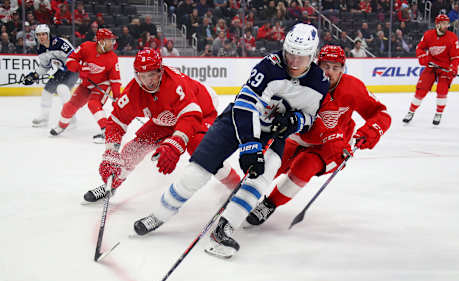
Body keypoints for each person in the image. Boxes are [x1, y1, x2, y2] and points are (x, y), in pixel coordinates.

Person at [133, 23, 330, 259]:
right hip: (236, 122)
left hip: (273, 134)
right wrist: (250, 145)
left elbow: (310, 117)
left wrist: (295, 121)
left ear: (313, 54)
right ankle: (160, 214)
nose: (295, 62)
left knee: (261, 178)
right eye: (290, 54)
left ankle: (224, 228)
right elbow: (245, 105)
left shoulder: (320, 82)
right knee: (197, 171)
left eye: (302, 56)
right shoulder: (270, 66)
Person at [245, 45, 391, 227]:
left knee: (303, 169)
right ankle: (242, 198)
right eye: (325, 67)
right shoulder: (301, 81)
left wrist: (369, 132)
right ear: (317, 65)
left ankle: (269, 204)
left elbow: (381, 114)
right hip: (298, 135)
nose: (329, 73)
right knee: (270, 166)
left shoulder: (353, 88)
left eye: (335, 68)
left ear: (343, 69)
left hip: (330, 145)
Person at [83, 49, 241, 203]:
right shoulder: (133, 92)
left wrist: (175, 143)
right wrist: (110, 153)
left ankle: (235, 185)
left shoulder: (175, 84)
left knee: (200, 148)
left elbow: (189, 116)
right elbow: (116, 123)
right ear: (136, 75)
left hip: (201, 110)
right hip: (167, 117)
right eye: (143, 76)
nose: (148, 80)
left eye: (152, 74)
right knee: (135, 148)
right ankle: (111, 183)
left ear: (161, 70)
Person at [50, 28, 121, 143]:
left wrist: (117, 96)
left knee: (93, 103)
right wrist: (80, 68)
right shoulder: (86, 47)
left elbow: (115, 80)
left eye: (113, 40)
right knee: (69, 106)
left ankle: (106, 132)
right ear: (101, 41)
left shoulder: (113, 57)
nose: (113, 43)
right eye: (110, 40)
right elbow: (70, 61)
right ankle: (61, 126)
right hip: (86, 84)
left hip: (103, 84)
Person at [403, 14, 459, 126]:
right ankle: (411, 111)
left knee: (442, 90)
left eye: (447, 24)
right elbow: (419, 48)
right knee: (421, 89)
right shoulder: (428, 35)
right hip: (431, 66)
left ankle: (439, 113)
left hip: (445, 68)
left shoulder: (452, 37)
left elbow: (456, 57)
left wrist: (453, 67)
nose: (446, 26)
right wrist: (423, 57)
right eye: (444, 24)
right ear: (437, 24)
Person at [23, 24, 78, 127]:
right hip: (61, 70)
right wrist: (35, 75)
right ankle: (44, 117)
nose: (41, 37)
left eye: (43, 34)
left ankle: (70, 116)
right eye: (38, 35)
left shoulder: (60, 43)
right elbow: (44, 66)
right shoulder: (40, 49)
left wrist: (71, 66)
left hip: (73, 69)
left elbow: (75, 56)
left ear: (48, 34)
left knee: (62, 89)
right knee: (47, 91)